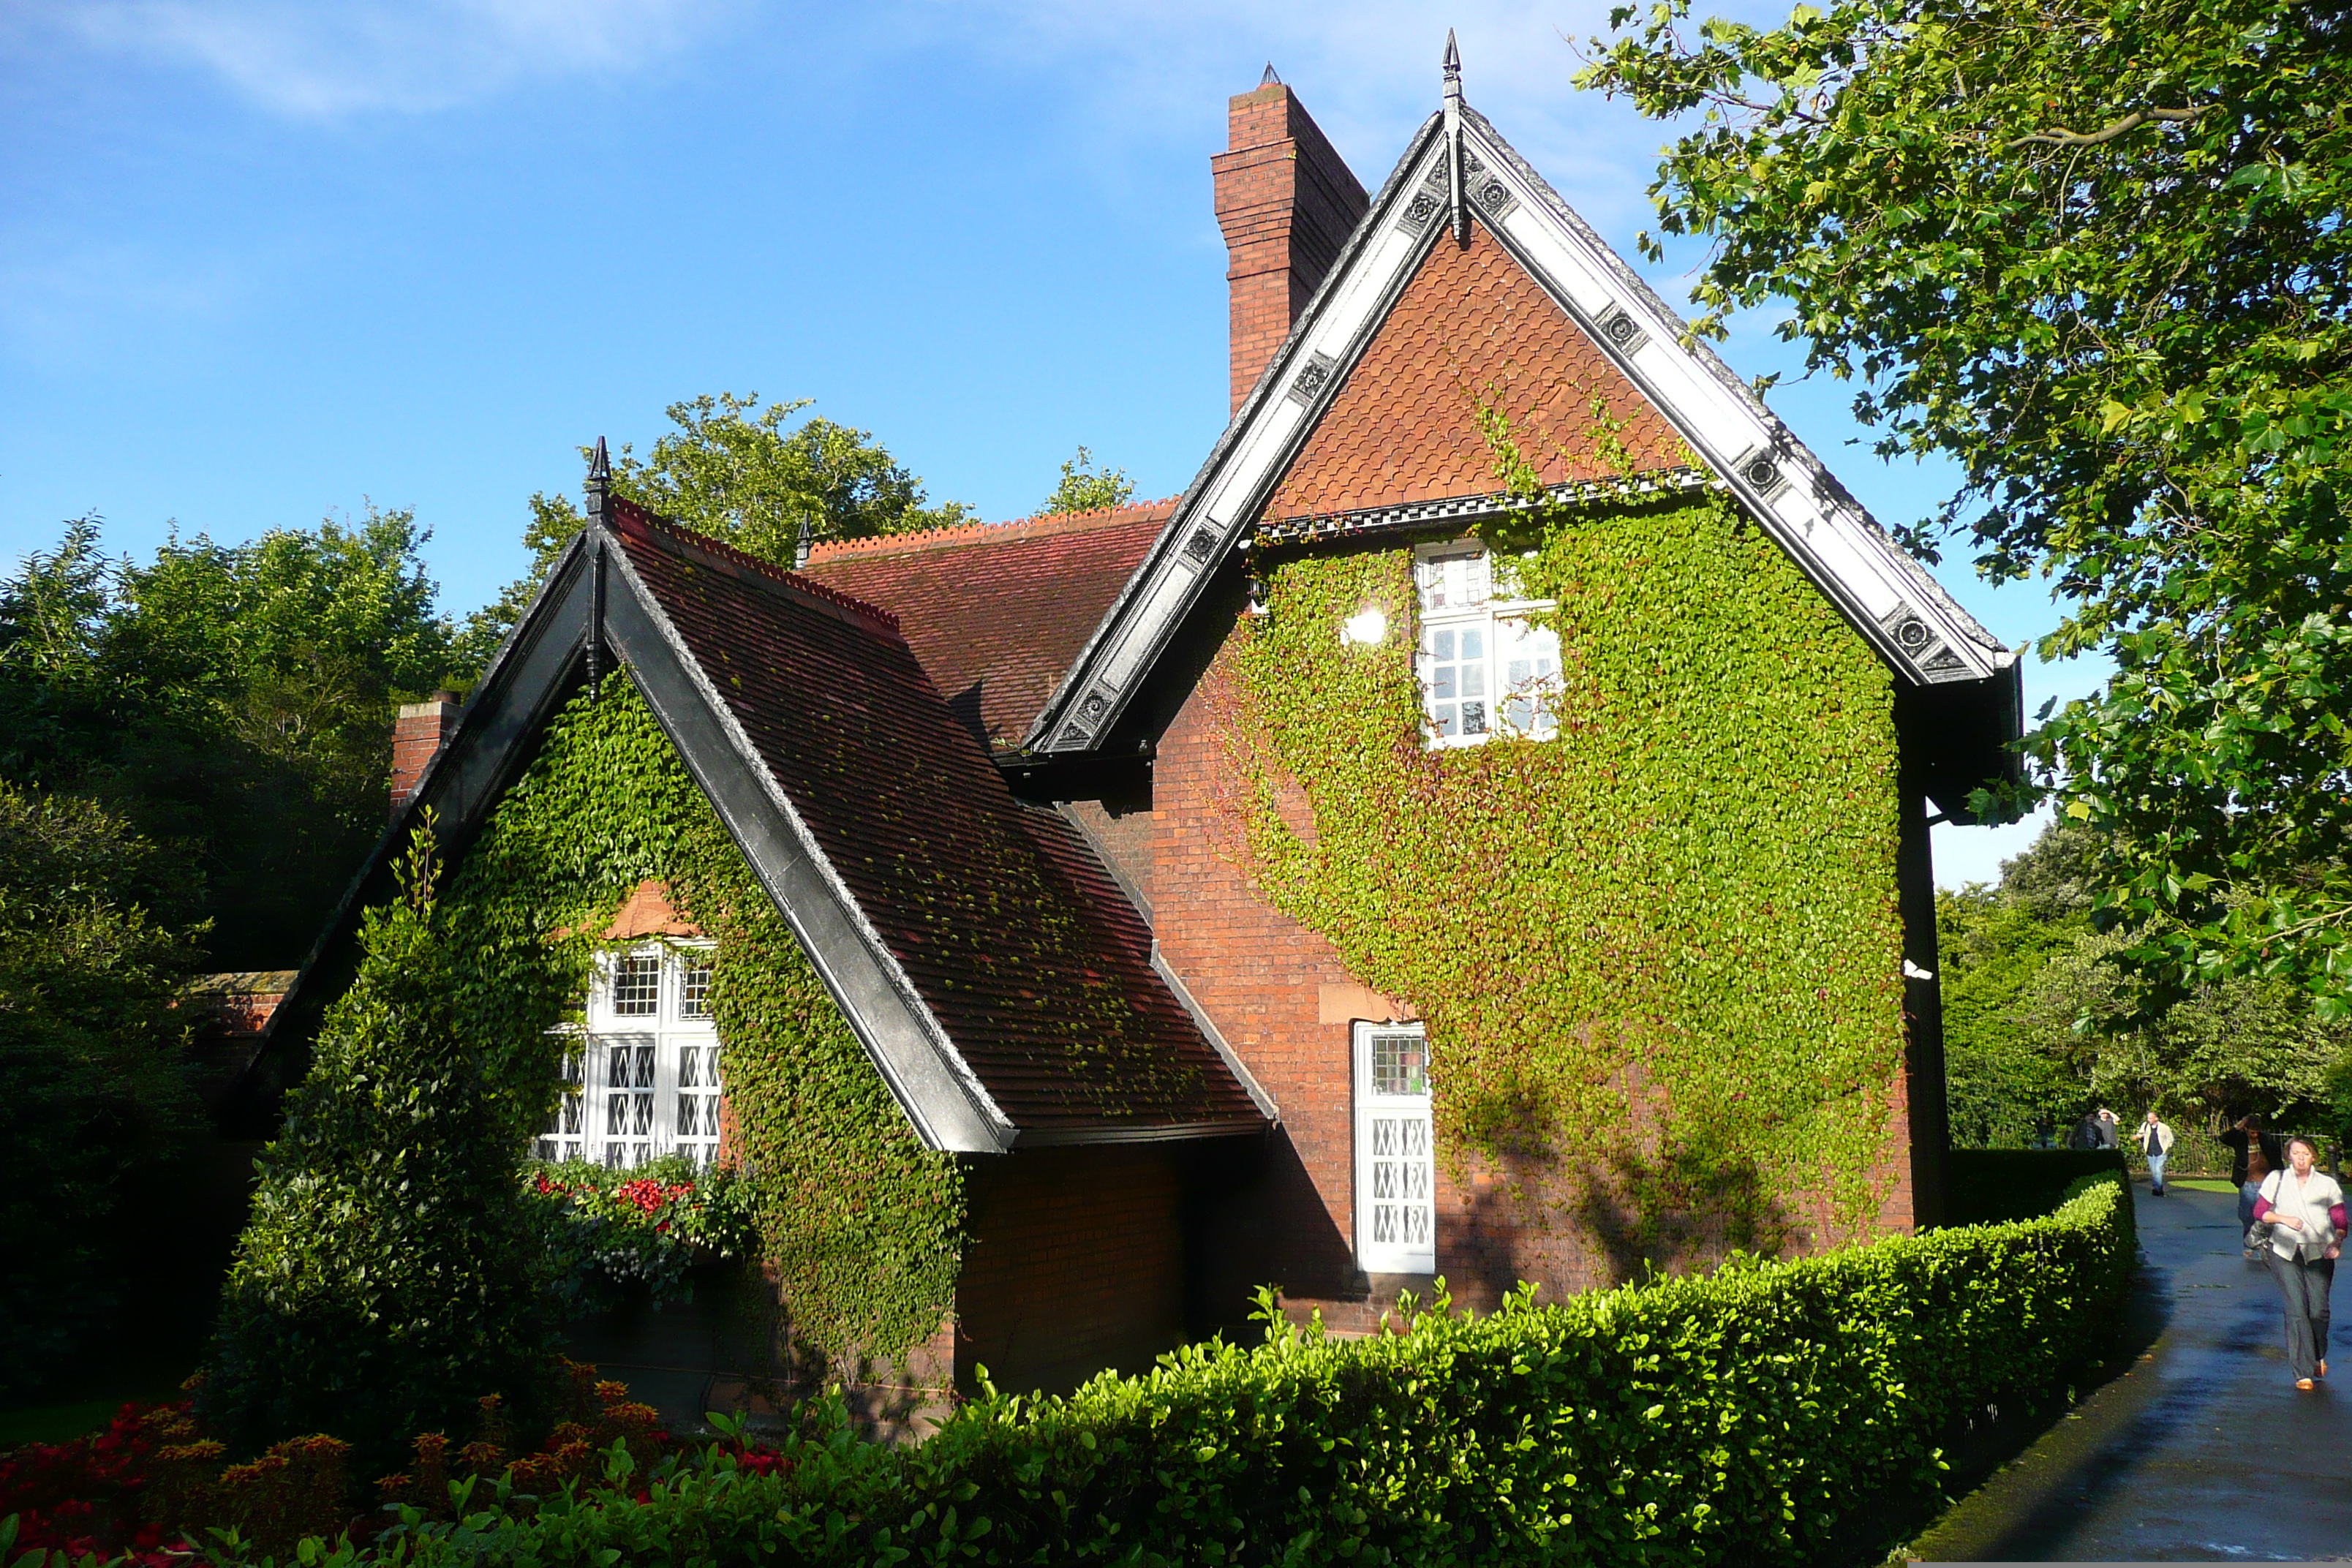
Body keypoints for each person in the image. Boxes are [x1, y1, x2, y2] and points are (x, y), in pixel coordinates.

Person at [2250, 1135, 2345, 1390]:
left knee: (2318, 1311)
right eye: (2296, 1153)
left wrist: (2337, 1243)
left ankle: (2317, 1354)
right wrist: (2283, 1218)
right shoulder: (2276, 1179)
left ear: (2314, 1157)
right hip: (2284, 1251)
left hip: (2319, 1252)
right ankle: (2302, 1372)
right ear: (2288, 1156)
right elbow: (2260, 1211)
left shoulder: (2327, 1185)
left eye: (2305, 1153)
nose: (2300, 1158)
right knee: (2296, 1309)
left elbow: (2340, 1219)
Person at [2223, 1113, 2288, 1243]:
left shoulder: (2266, 1139)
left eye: (2257, 1132)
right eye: (2252, 1132)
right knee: (2247, 1216)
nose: (2255, 1135)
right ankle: (2249, 1242)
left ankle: (2266, 1242)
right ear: (2246, 1130)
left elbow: (2276, 1157)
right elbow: (2224, 1138)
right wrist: (2239, 1125)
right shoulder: (2240, 1139)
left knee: (2266, 1214)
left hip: (2266, 1183)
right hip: (2247, 1183)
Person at [2136, 1108, 2176, 1196]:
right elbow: (2141, 1133)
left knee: (2158, 1170)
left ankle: (2157, 1189)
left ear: (2156, 1118)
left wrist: (2166, 1148)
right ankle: (2158, 1188)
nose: (2149, 1120)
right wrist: (2137, 1137)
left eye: (2151, 1118)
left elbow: (2170, 1139)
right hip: (2150, 1152)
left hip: (2161, 1152)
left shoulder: (2164, 1127)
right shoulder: (2145, 1126)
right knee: (2154, 1171)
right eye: (2148, 1118)